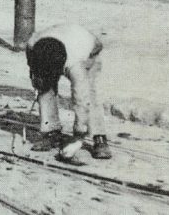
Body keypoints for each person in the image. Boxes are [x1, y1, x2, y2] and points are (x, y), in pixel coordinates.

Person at [26, 23, 111, 160]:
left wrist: (79, 135)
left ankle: (99, 137)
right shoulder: (32, 46)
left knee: (89, 94)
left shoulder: (76, 64)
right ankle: (51, 131)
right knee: (45, 89)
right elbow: (35, 72)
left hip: (88, 47)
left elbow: (81, 100)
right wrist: (38, 81)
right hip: (63, 36)